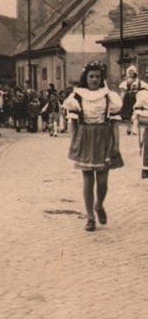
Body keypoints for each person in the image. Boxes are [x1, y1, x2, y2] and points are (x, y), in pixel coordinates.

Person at [63, 61, 123, 232]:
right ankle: (90, 217)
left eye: (97, 76)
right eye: (91, 76)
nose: (94, 80)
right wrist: (74, 141)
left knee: (103, 181)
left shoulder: (109, 97)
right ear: (86, 78)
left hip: (104, 137)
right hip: (85, 137)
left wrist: (116, 144)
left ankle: (99, 205)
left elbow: (114, 124)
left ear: (101, 78)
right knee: (88, 180)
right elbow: (73, 122)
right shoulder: (77, 97)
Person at [119, 65, 146, 135]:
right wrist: (121, 101)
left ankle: (134, 129)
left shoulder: (139, 82)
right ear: (128, 73)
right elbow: (123, 92)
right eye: (130, 72)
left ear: (135, 73)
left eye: (132, 72)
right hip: (128, 100)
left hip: (137, 99)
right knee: (128, 115)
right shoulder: (126, 82)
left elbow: (145, 89)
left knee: (136, 113)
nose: (131, 74)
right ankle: (128, 128)